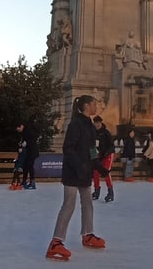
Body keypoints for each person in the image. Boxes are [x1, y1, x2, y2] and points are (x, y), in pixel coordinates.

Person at [47, 95, 106, 261]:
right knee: (69, 205)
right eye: (95, 104)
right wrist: (79, 166)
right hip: (73, 173)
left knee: (88, 203)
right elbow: (69, 148)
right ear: (87, 106)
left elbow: (92, 149)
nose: (97, 106)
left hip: (85, 172)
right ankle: (55, 242)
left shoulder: (90, 126)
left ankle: (88, 234)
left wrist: (98, 166)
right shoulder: (75, 124)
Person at [92, 116, 115, 202]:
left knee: (106, 172)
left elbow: (112, 145)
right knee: (95, 172)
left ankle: (110, 193)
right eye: (95, 123)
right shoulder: (93, 133)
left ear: (101, 123)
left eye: (98, 123)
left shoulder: (106, 133)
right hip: (99, 156)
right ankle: (96, 191)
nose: (97, 124)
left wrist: (106, 153)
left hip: (108, 155)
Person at [17, 123, 39, 189]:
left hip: (32, 152)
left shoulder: (27, 131)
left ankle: (32, 182)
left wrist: (26, 143)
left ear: (21, 126)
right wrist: (21, 145)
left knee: (30, 165)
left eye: (18, 128)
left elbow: (33, 138)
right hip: (28, 152)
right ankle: (24, 181)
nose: (18, 130)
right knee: (25, 166)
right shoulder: (23, 133)